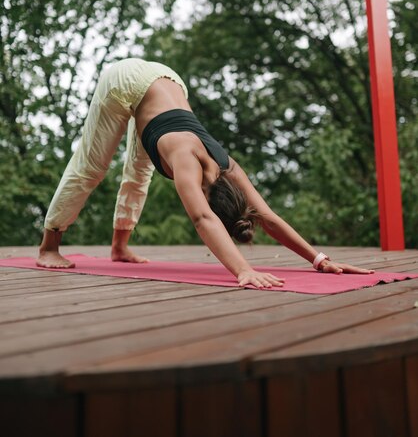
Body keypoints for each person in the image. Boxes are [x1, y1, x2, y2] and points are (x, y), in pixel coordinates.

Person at [37, 58, 374, 288]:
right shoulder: (186, 161)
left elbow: (267, 216)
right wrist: (243, 270)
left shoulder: (228, 168)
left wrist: (320, 259)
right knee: (92, 167)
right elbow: (202, 219)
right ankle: (49, 246)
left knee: (140, 172)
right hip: (125, 79)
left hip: (167, 80)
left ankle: (119, 248)